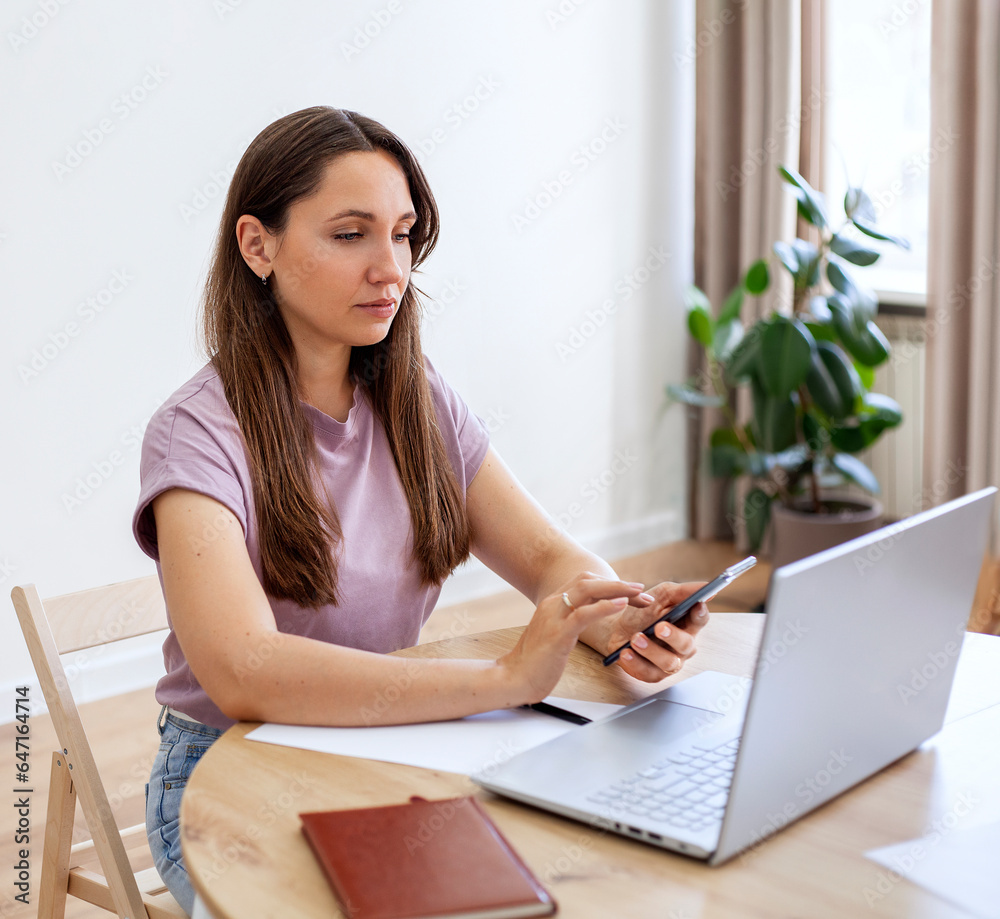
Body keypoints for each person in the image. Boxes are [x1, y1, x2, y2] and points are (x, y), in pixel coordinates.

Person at [132, 106, 709, 914]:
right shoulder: (196, 432)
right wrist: (504, 677)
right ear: (257, 246)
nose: (390, 268)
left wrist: (612, 611)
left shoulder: (418, 397)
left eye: (403, 234)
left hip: (393, 741)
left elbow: (549, 558)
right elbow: (243, 670)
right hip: (226, 769)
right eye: (350, 234)